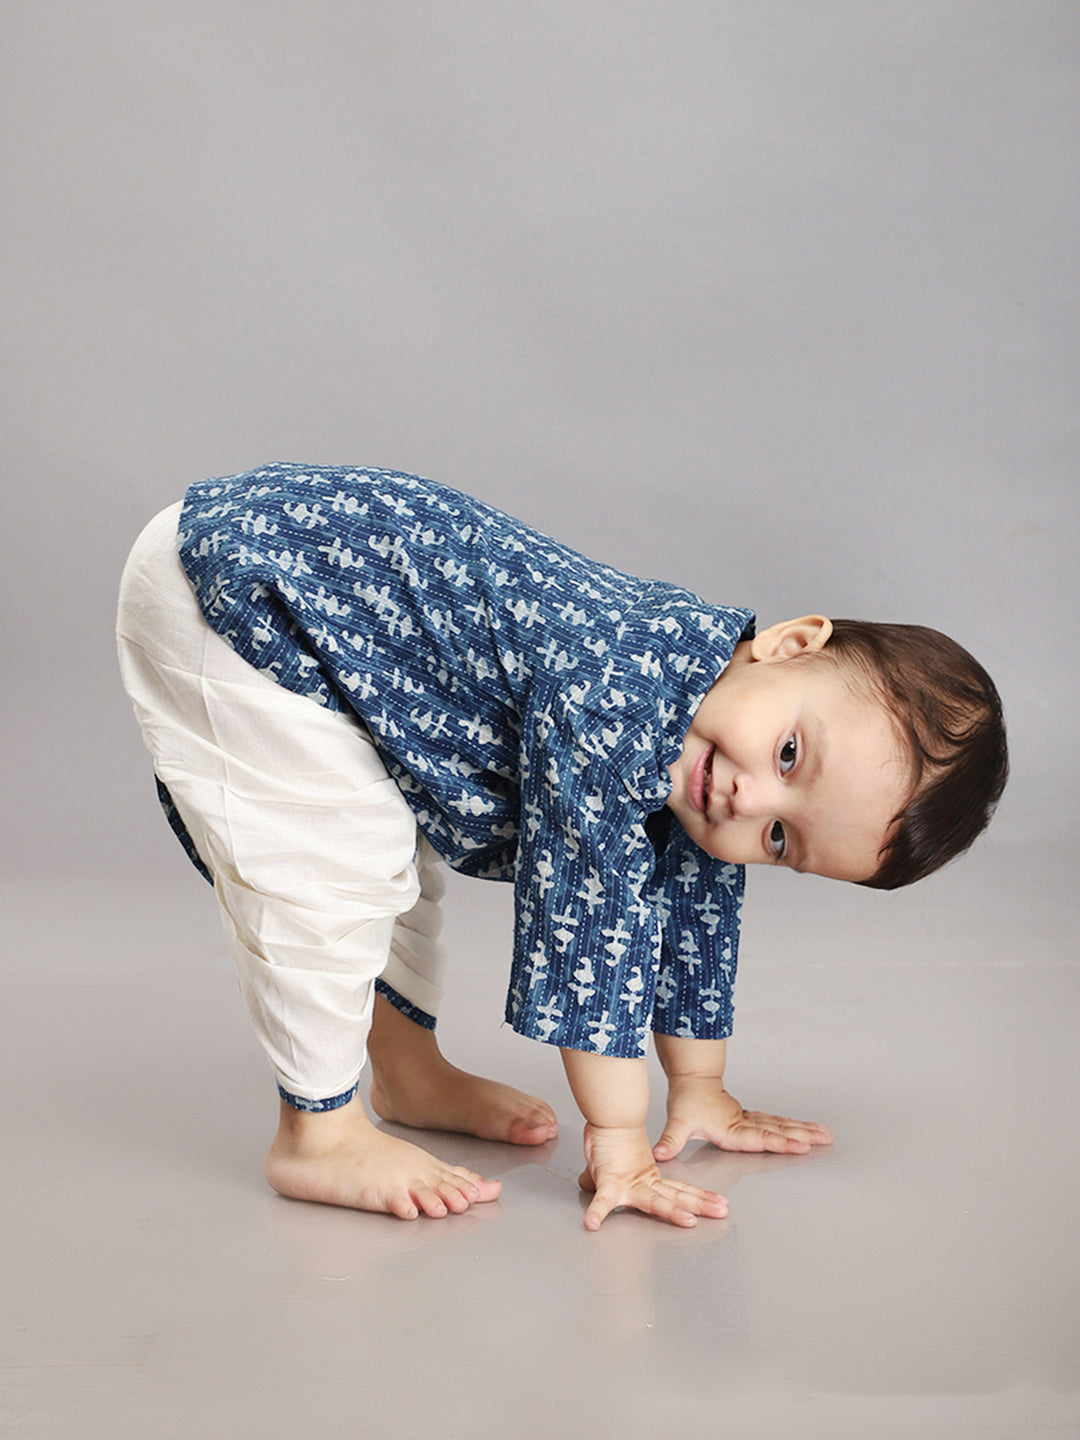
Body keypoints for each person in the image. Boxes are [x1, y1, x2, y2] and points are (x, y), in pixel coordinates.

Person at [116, 464, 1007, 1230]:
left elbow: (695, 909)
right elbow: (592, 935)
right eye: (788, 756)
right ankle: (316, 1132)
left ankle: (405, 1071)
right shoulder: (618, 695)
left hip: (326, 618)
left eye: (781, 838)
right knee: (328, 873)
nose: (748, 800)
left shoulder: (707, 706)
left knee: (395, 865)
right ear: (789, 645)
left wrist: (699, 1087)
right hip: (245, 584)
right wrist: (619, 1142)